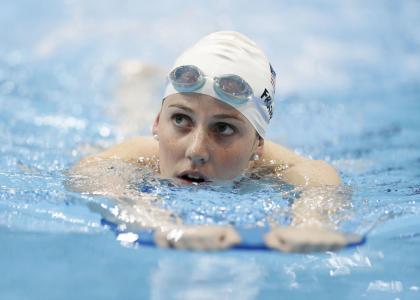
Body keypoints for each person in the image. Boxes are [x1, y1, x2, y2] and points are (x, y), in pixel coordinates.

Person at [69, 31, 362, 252]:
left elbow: (320, 180)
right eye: (181, 120)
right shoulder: (142, 151)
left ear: (258, 145)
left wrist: (311, 222)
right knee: (127, 116)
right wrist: (156, 222)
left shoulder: (271, 164)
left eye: (223, 128)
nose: (196, 151)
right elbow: (90, 174)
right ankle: (137, 78)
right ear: (158, 122)